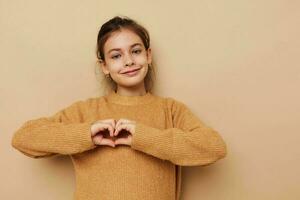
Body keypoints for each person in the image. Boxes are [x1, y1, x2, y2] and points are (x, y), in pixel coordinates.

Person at [11, 15, 227, 200]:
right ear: (104, 66)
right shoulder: (85, 111)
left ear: (148, 55)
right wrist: (86, 134)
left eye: (136, 51)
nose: (128, 61)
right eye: (116, 56)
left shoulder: (170, 110)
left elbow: (214, 147)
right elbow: (23, 138)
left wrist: (143, 137)